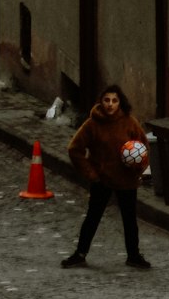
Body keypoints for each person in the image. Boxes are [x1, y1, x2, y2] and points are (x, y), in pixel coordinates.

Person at [61, 84, 151, 270]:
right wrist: (91, 173)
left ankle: (133, 255)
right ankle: (80, 253)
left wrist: (137, 168)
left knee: (129, 220)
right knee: (93, 217)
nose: (110, 104)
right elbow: (74, 149)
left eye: (114, 101)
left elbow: (143, 147)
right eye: (107, 100)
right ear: (101, 102)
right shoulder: (93, 124)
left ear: (120, 103)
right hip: (102, 180)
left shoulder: (129, 122)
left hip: (126, 180)